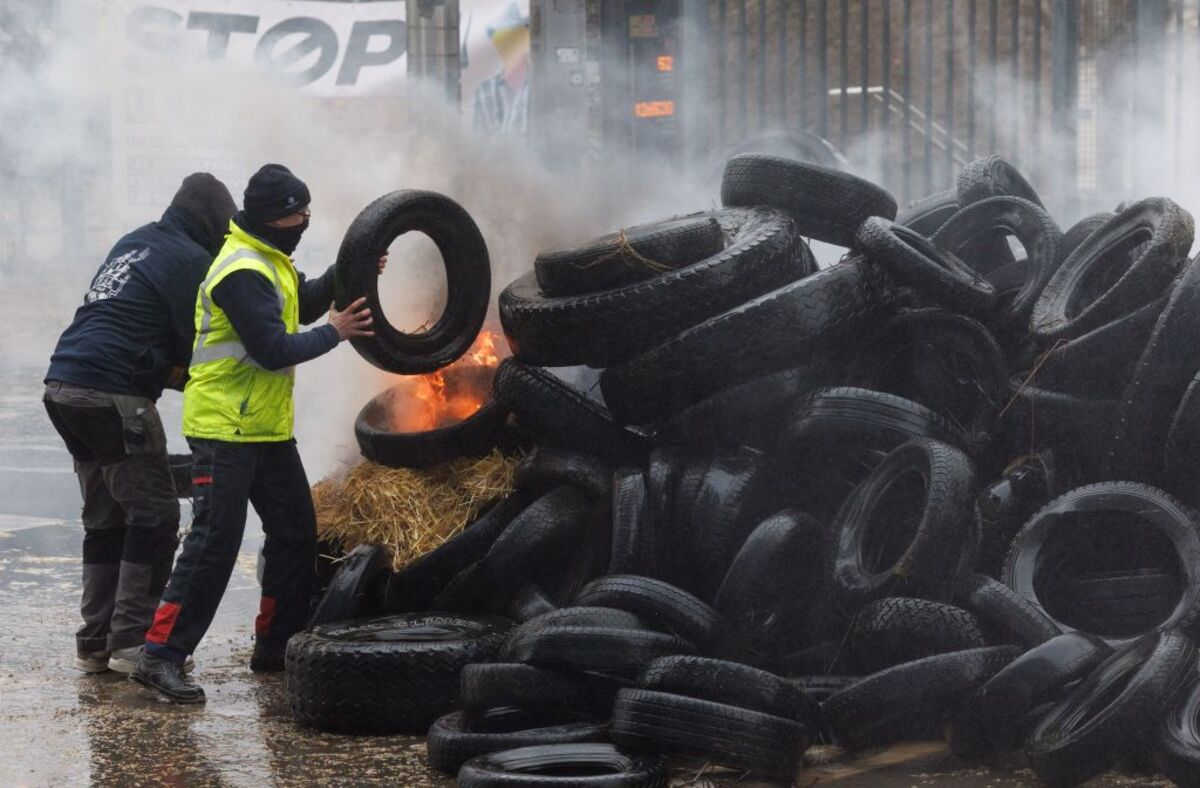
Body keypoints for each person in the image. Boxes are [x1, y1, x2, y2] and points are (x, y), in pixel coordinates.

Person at [132, 163, 383, 703]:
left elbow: (308, 299)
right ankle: (160, 656)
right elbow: (273, 349)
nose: (306, 220)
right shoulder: (240, 269)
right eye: (298, 212)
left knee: (296, 533)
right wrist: (335, 334)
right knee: (213, 543)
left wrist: (353, 271)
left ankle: (275, 644)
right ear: (273, 217)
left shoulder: (270, 258)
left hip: (265, 430)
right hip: (224, 429)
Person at [43, 173, 237, 675]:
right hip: (112, 397)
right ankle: (132, 642)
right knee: (154, 517)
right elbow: (193, 351)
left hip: (63, 385)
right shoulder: (193, 262)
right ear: (211, 222)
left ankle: (95, 641)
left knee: (106, 518)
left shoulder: (136, 241)